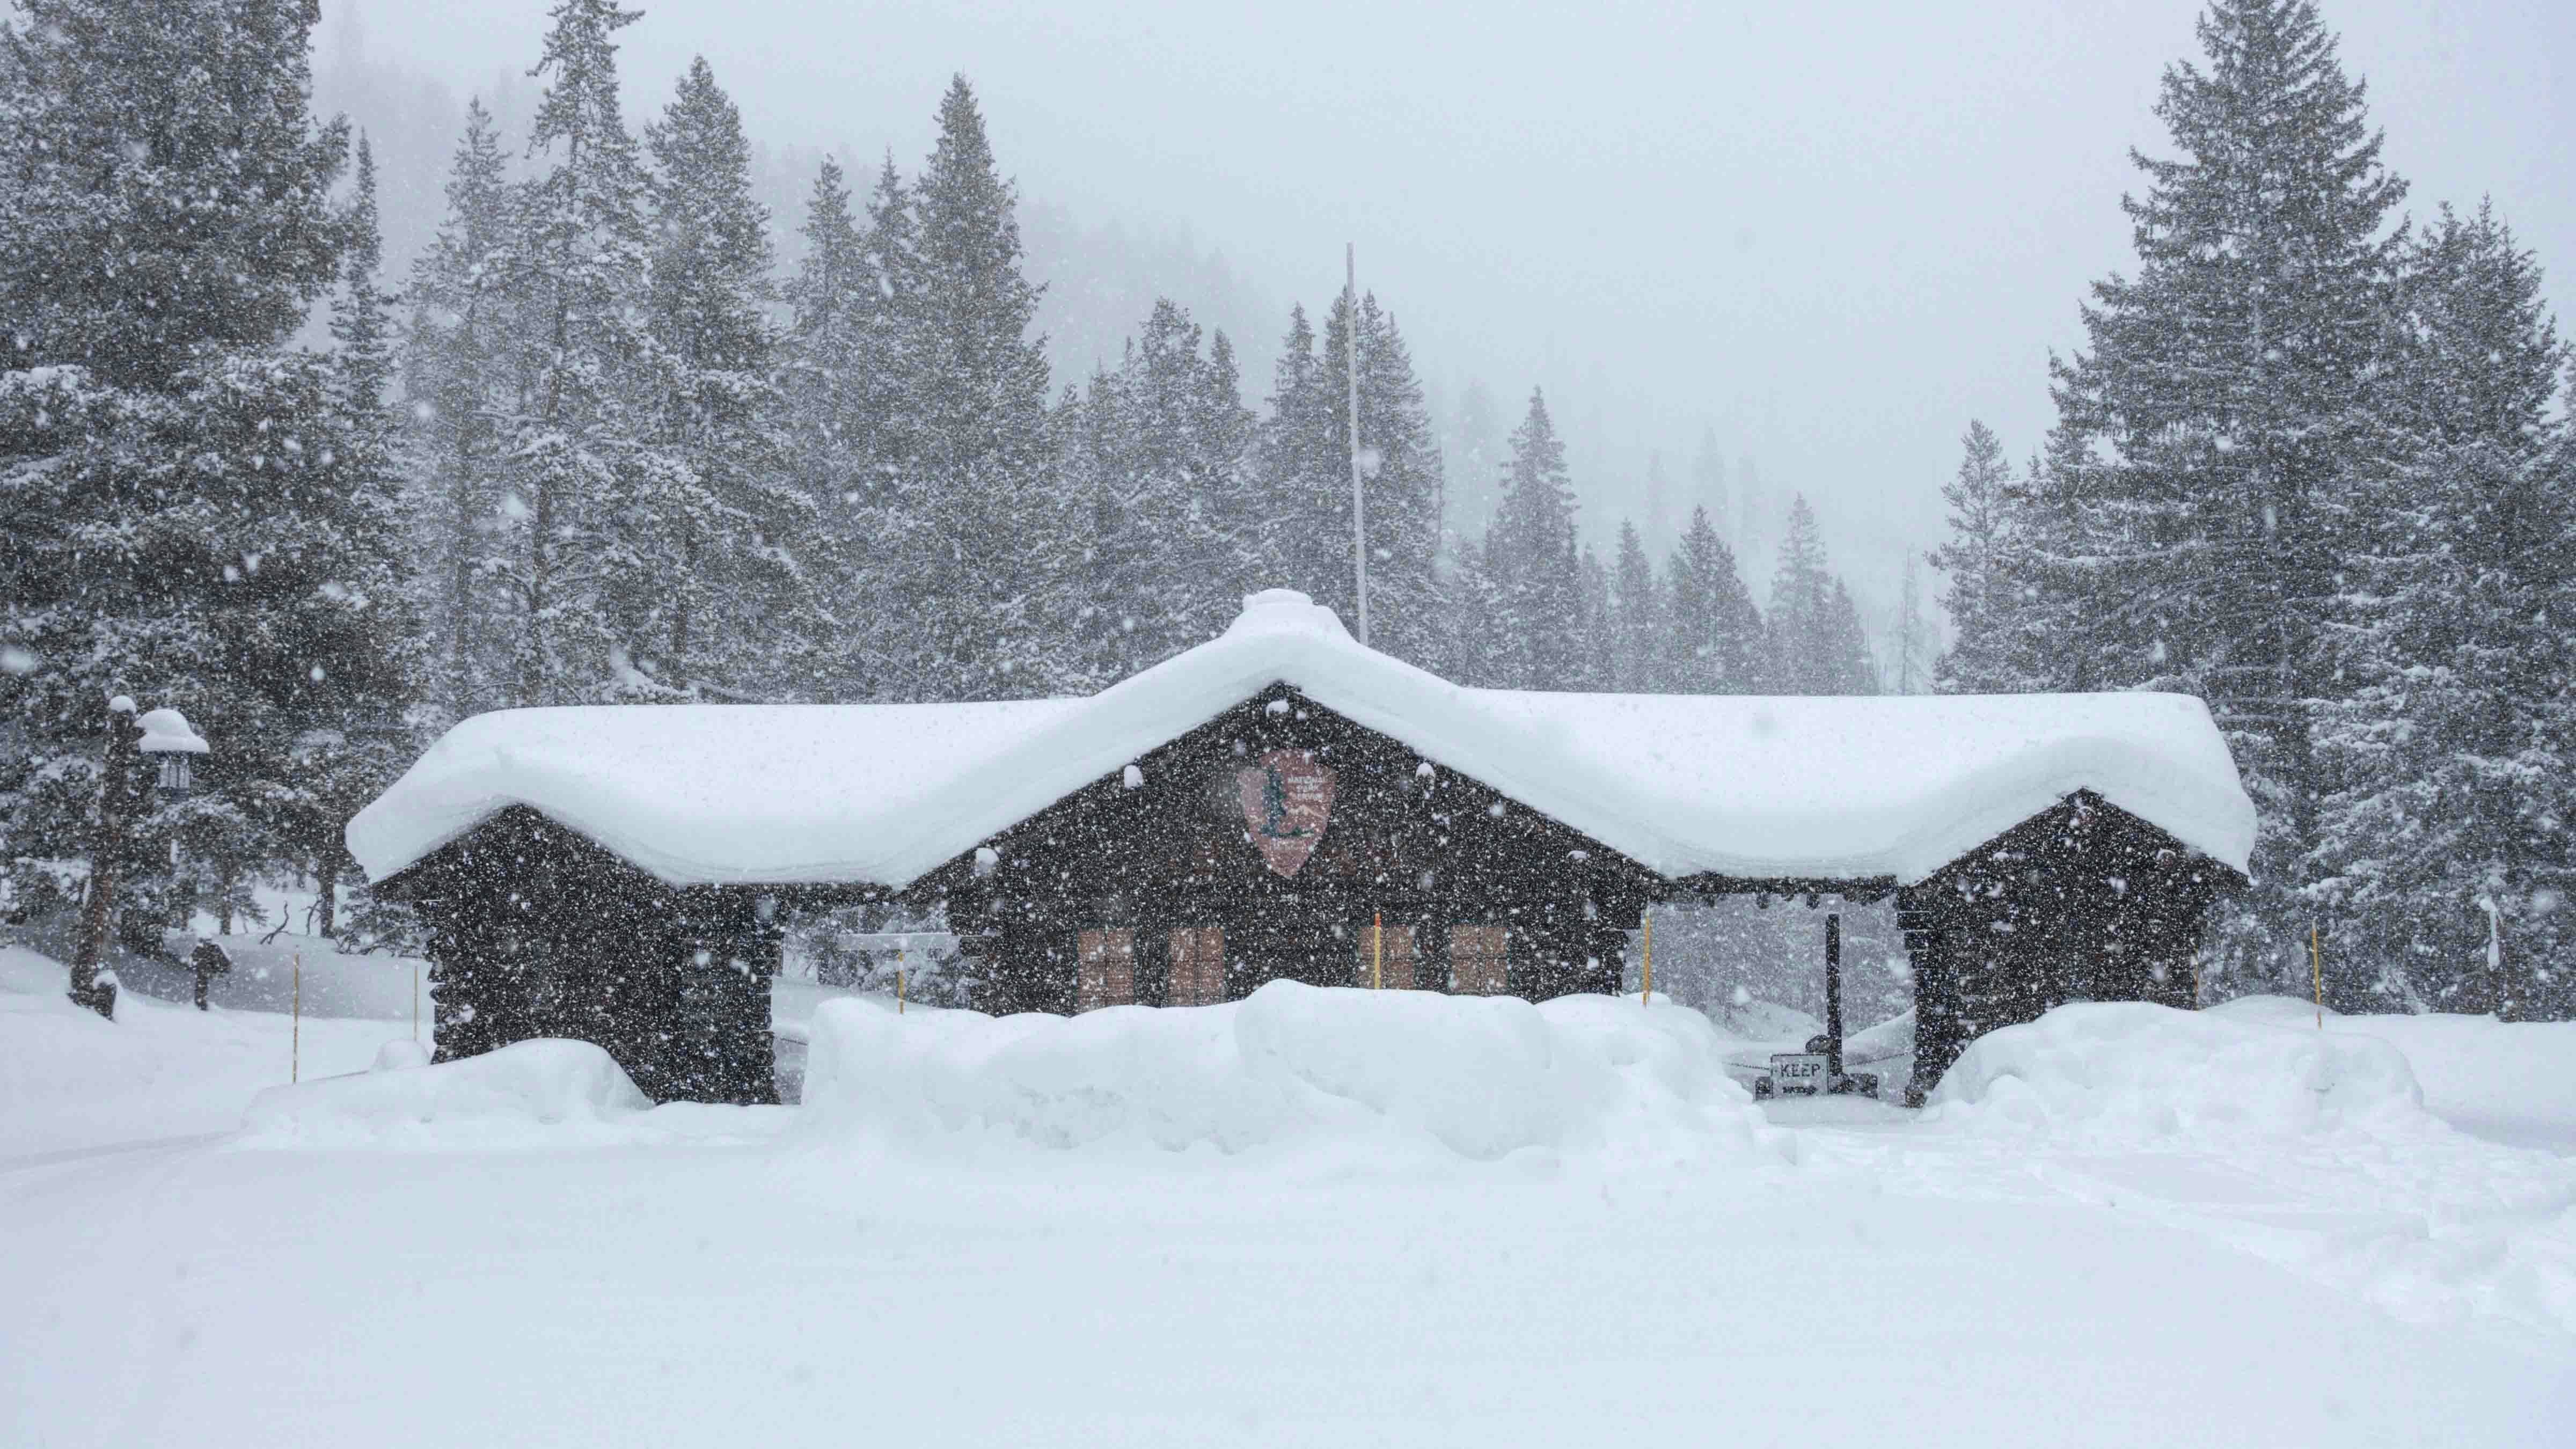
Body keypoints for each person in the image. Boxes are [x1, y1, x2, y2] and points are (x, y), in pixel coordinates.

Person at [187, 935, 232, 1011]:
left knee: (202, 986)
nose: (206, 944)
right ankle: (201, 1005)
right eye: (204, 942)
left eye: (207, 942)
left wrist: (220, 972)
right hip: (205, 973)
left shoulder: (215, 948)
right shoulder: (199, 949)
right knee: (201, 985)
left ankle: (202, 1005)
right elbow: (190, 962)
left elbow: (226, 962)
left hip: (212, 972)